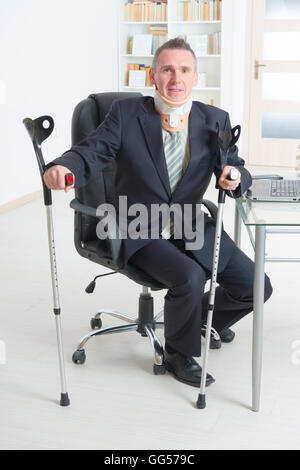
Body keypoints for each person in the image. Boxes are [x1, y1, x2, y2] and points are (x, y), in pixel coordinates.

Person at [43, 38, 272, 388]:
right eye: (167, 70)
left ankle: (198, 320)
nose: (175, 79)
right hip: (136, 226)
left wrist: (235, 176)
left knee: (256, 286)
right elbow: (90, 152)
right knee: (189, 277)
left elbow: (235, 166)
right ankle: (178, 353)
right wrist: (62, 167)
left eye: (183, 70)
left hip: (190, 224)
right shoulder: (125, 114)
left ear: (196, 77)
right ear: (153, 77)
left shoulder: (215, 120)